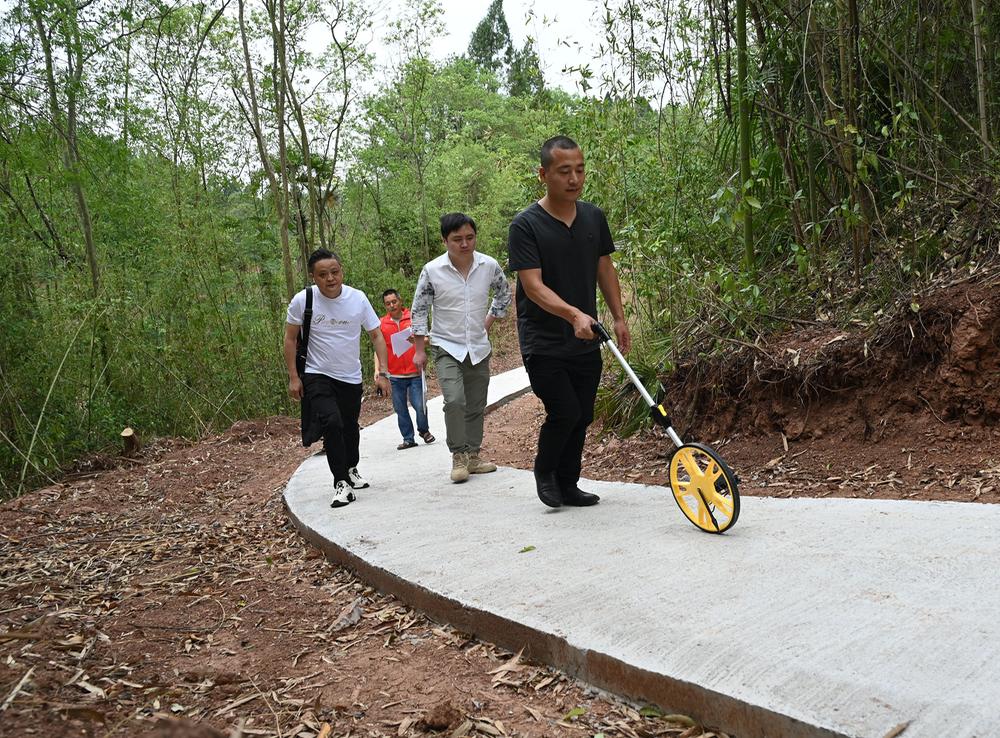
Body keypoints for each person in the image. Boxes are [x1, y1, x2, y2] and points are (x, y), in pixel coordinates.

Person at [507, 135, 632, 508]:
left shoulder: (593, 216)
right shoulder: (526, 225)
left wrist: (619, 317)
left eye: (579, 170)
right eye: (564, 171)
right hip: (543, 339)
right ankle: (545, 472)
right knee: (565, 410)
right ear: (543, 174)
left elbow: (604, 268)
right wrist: (574, 313)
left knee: (584, 412)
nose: (574, 178)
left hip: (585, 336)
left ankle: (568, 482)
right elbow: (532, 286)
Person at [284, 249, 391, 509]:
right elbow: (289, 338)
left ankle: (351, 467)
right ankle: (340, 482)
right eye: (323, 275)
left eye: (335, 272)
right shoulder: (303, 300)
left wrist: (383, 373)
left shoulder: (358, 298)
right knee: (331, 423)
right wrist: (294, 377)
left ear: (341, 271)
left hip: (350, 376)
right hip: (317, 373)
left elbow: (376, 335)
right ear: (313, 277)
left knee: (349, 425)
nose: (330, 278)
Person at [411, 213, 512, 483]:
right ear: (445, 241)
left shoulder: (488, 265)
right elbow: (419, 310)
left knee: (477, 403)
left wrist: (488, 320)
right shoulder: (432, 270)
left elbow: (504, 292)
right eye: (457, 239)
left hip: (478, 346)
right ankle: (459, 454)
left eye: (469, 238)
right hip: (446, 345)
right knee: (455, 400)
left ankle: (474, 455)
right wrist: (419, 349)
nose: (464, 244)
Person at [373, 288, 436, 450]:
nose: (392, 305)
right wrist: (378, 370)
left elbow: (429, 338)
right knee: (400, 409)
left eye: (394, 302)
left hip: (415, 371)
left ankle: (424, 430)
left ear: (400, 301)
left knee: (420, 404)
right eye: (388, 303)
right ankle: (408, 438)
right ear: (385, 306)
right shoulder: (381, 323)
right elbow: (378, 349)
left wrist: (417, 340)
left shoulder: (413, 318)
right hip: (394, 375)